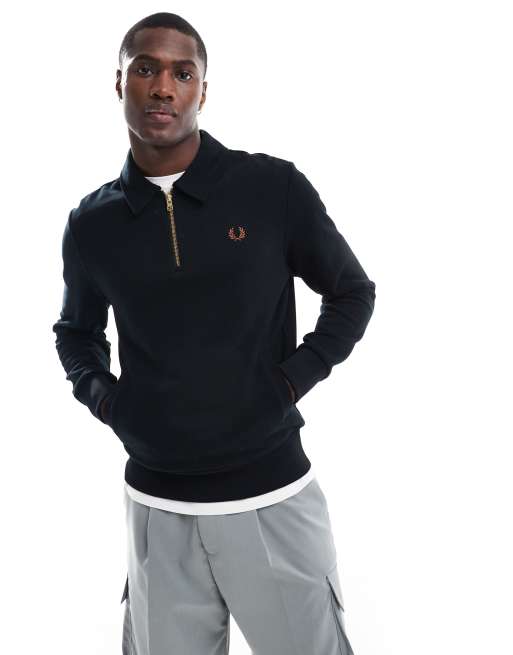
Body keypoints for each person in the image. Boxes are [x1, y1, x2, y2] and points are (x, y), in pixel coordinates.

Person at [52, 11, 376, 655]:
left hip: (271, 494)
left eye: (183, 73)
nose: (162, 87)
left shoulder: (271, 188)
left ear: (204, 90)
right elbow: (75, 333)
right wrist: (110, 402)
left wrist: (288, 383)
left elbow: (352, 293)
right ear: (119, 83)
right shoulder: (92, 223)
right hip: (157, 508)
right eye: (145, 69)